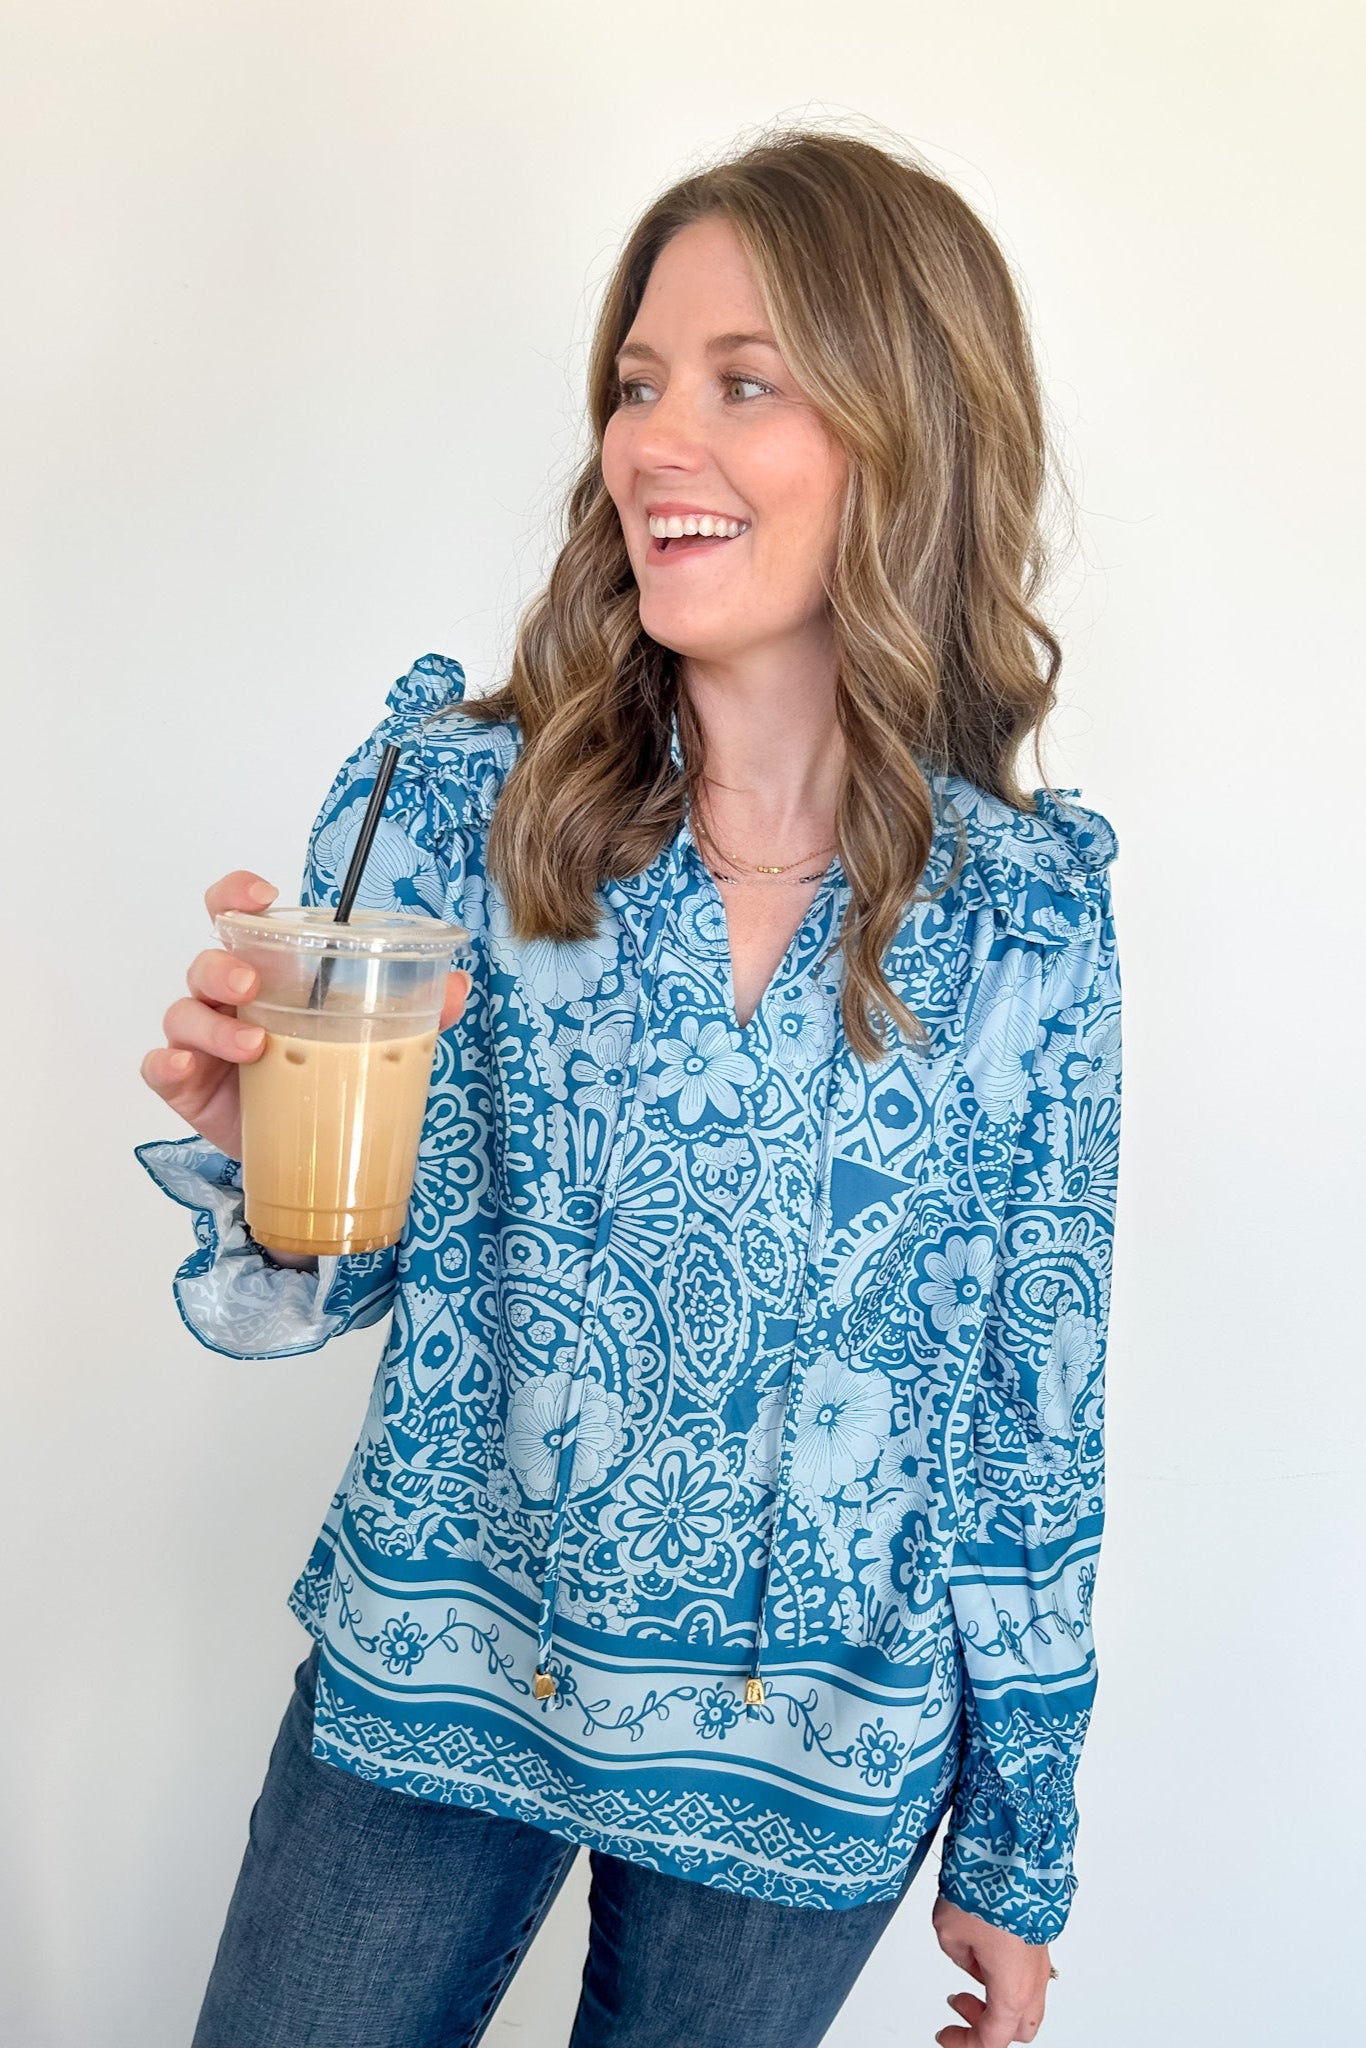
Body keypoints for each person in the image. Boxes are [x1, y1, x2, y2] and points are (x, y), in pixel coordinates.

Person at [138, 126, 1122, 2048]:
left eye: (743, 384)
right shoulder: (456, 797)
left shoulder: (1028, 920)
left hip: (810, 1752)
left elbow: (1037, 1397)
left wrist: (1017, 1843)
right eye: (637, 382)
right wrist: (268, 1162)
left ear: (903, 427)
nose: (655, 438)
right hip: (443, 1668)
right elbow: (325, 1263)